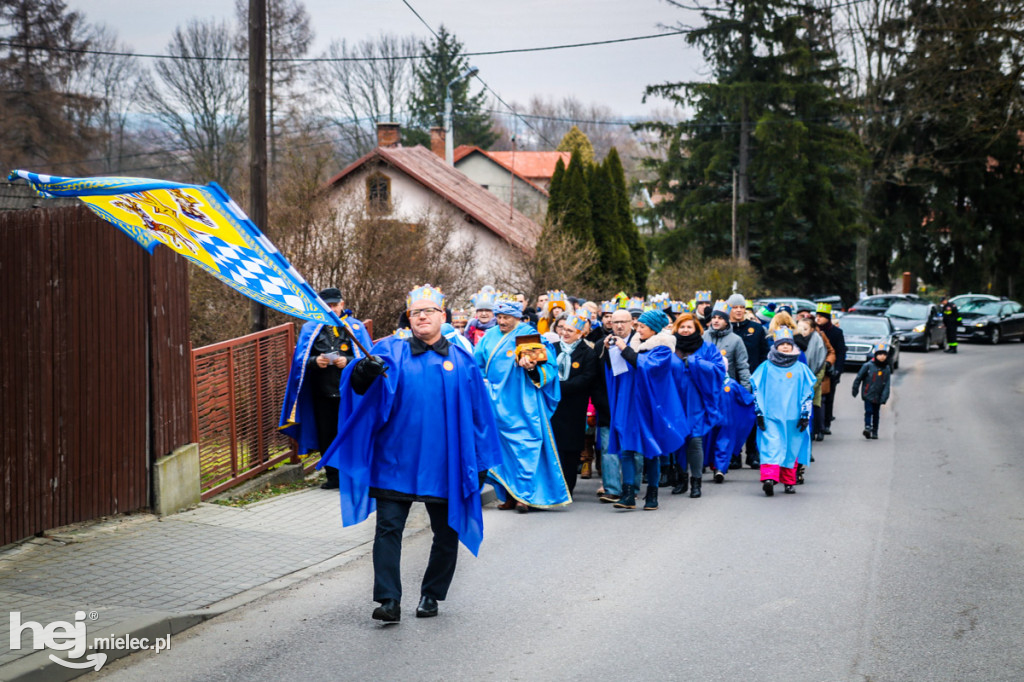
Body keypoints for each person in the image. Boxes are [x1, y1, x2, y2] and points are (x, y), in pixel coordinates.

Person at [319, 284, 501, 622]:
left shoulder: (462, 361)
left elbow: (480, 416)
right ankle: (388, 599)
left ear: (442, 318)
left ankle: (431, 594)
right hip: (395, 460)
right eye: (416, 312)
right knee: (388, 529)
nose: (422, 317)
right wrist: (362, 372)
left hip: (444, 464)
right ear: (409, 318)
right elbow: (359, 385)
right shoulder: (390, 350)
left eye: (429, 311)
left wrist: (479, 462)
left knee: (446, 533)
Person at [475, 300, 570, 512]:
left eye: (506, 317)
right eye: (498, 317)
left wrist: (533, 368)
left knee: (526, 447)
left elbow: (549, 367)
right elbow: (477, 364)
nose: (501, 321)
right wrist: (482, 382)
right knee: (500, 450)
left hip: (524, 401)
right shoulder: (489, 336)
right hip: (495, 401)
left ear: (518, 317)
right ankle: (508, 493)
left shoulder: (530, 335)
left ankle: (524, 496)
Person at [279, 287, 373, 490]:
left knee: (350, 433)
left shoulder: (355, 327)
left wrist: (346, 361)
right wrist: (316, 361)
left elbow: (369, 359)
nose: (331, 309)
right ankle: (332, 476)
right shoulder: (310, 328)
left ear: (342, 304)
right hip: (321, 392)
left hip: (350, 393)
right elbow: (300, 362)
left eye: (334, 305)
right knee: (327, 435)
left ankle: (351, 476)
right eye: (326, 305)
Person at [606, 309, 687, 511]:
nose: (638, 329)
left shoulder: (662, 348)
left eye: (642, 326)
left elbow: (644, 366)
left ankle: (652, 495)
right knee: (627, 448)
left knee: (651, 451)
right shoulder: (635, 344)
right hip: (629, 402)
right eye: (638, 326)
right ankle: (628, 495)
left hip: (649, 405)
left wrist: (625, 349)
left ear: (653, 328)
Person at [751, 328, 816, 496]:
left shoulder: (800, 368)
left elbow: (808, 392)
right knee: (770, 446)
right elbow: (757, 389)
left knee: (790, 448)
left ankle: (788, 481)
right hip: (770, 415)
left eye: (788, 344)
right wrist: (759, 412)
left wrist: (804, 415)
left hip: (793, 417)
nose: (785, 347)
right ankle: (769, 479)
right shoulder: (766, 367)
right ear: (775, 346)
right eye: (782, 344)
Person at [669, 312, 725, 496]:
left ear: (696, 329)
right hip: (675, 400)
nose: (685, 330)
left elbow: (719, 370)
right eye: (682, 327)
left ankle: (696, 482)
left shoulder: (707, 348)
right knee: (678, 440)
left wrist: (695, 362)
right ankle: (681, 479)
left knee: (695, 440)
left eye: (689, 327)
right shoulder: (669, 347)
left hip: (697, 401)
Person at [550, 313, 598, 496]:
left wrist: (558, 387)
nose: (565, 333)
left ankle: (567, 488)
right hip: (552, 406)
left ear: (580, 334)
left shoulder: (588, 353)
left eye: (571, 330)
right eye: (563, 329)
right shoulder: (552, 348)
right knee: (554, 448)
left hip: (574, 407)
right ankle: (552, 487)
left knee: (570, 450)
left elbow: (586, 379)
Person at [727, 293, 769, 469]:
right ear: (729, 309)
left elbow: (764, 356)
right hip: (730, 382)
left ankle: (753, 454)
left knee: (752, 418)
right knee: (733, 419)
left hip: (752, 381)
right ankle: (734, 455)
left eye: (741, 307)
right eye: (735, 307)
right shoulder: (725, 329)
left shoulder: (756, 329)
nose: (738, 310)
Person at [703, 301, 751, 390]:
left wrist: (746, 391)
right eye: (714, 317)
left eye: (720, 318)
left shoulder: (736, 340)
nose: (716, 320)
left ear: (726, 322)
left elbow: (742, 368)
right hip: (705, 386)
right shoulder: (703, 336)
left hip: (726, 388)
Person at [815, 303, 846, 435]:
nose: (818, 319)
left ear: (828, 318)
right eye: (817, 316)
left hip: (830, 371)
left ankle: (827, 423)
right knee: (817, 398)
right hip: (816, 369)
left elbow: (840, 352)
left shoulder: (836, 332)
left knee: (829, 397)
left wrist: (838, 369)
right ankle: (818, 424)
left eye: (821, 316)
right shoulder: (814, 331)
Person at [851, 342, 892, 439]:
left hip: (878, 395)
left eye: (884, 354)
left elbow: (887, 383)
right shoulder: (868, 366)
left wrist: (884, 396)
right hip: (868, 393)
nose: (882, 357)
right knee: (868, 411)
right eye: (879, 354)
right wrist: (855, 388)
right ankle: (867, 427)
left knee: (876, 413)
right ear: (875, 355)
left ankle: (875, 431)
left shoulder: (886, 368)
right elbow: (859, 377)